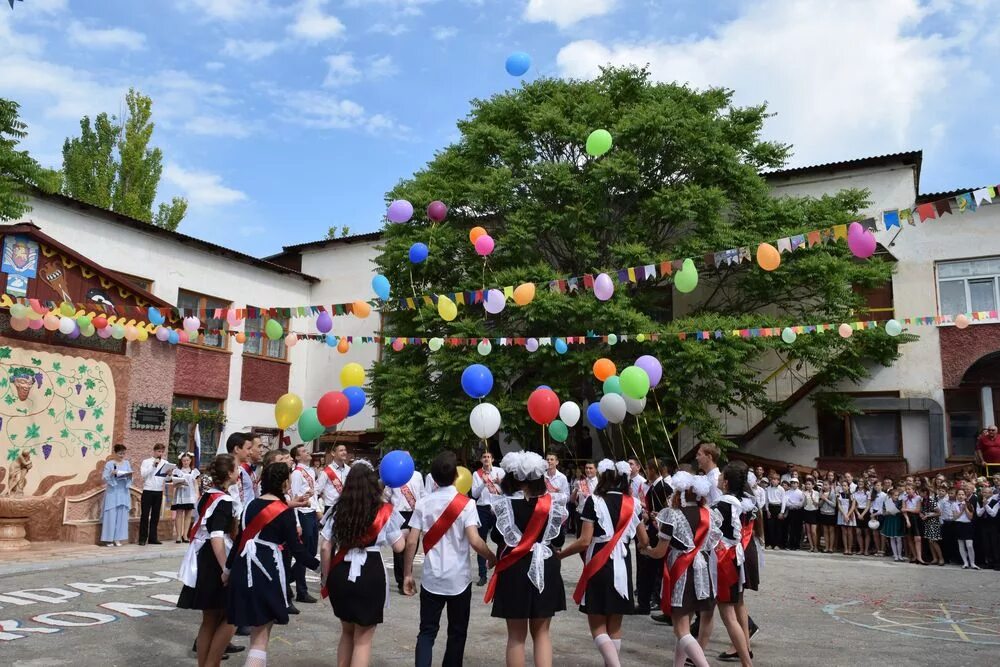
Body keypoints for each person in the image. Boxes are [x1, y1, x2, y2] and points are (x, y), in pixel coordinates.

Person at [402, 451, 496, 667]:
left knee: (426, 632)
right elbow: (474, 540)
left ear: (433, 479)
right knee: (457, 632)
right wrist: (491, 556)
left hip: (431, 578)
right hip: (459, 580)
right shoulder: (467, 504)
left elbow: (410, 542)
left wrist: (407, 574)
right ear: (456, 476)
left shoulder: (423, 503)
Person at [227, 462, 317, 667]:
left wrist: (227, 570)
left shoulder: (250, 505)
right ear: (285, 483)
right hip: (267, 570)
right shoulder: (283, 511)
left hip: (242, 568)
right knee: (260, 637)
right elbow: (297, 549)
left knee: (255, 634)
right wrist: (319, 567)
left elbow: (239, 540)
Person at [560, 460, 647, 667]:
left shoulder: (594, 501)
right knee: (615, 625)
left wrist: (560, 555)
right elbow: (643, 540)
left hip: (599, 563)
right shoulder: (633, 502)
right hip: (622, 566)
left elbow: (583, 541)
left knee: (597, 625)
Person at [487, 451, 567, 667]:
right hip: (545, 566)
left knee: (516, 635)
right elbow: (558, 538)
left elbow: (496, 536)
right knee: (542, 633)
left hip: (514, 567)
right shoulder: (552, 503)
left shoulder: (504, 504)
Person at [326, 460, 406, 667]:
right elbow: (399, 547)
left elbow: (325, 547)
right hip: (370, 572)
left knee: (346, 632)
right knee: (363, 640)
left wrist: (325, 577)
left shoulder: (337, 509)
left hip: (340, 572)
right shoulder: (383, 509)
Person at [640, 471, 720, 667]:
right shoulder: (708, 514)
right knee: (684, 626)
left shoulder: (672, 515)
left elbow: (660, 552)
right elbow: (712, 544)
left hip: (681, 571)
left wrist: (646, 550)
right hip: (702, 572)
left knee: (681, 629)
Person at [178, 454, 237, 667]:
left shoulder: (208, 494)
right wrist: (225, 568)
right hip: (214, 559)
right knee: (232, 616)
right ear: (230, 473)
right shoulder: (224, 500)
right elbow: (216, 535)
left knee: (209, 620)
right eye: (236, 468)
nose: (238, 471)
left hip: (202, 555)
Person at [713, 461, 756, 666]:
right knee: (734, 607)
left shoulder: (722, 504)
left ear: (727, 482)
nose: (719, 478)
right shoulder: (742, 502)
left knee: (728, 615)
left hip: (726, 561)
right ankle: (744, 651)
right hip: (736, 558)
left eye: (721, 476)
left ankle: (746, 661)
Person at [637, 459, 672, 619]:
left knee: (652, 567)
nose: (646, 471)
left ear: (652, 470)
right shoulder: (654, 487)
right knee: (650, 569)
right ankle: (648, 600)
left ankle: (650, 600)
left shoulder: (663, 487)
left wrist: (657, 517)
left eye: (647, 469)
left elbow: (668, 509)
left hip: (658, 532)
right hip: (653, 527)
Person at [386, 463, 425, 594]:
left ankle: (407, 575)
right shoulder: (393, 476)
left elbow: (422, 494)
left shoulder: (417, 475)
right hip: (398, 513)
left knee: (412, 546)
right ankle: (401, 581)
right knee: (398, 549)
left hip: (414, 512)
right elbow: (386, 495)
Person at [290, 444, 320, 604]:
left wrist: (317, 509)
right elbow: (294, 496)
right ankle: (301, 590)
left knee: (311, 551)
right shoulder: (296, 473)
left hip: (311, 512)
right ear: (296, 457)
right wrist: (296, 522)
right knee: (304, 552)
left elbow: (312, 494)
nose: (307, 452)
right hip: (302, 514)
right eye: (303, 451)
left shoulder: (310, 471)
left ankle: (288, 577)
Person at [471, 450, 505, 586]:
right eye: (484, 457)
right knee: (481, 541)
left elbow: (507, 491)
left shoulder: (500, 471)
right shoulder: (476, 474)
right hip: (482, 509)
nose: (486, 459)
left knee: (501, 540)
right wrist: (483, 483)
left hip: (497, 508)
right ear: (481, 460)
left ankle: (499, 570)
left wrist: (499, 482)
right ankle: (482, 574)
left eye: (488, 457)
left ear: (493, 459)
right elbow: (474, 494)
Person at [101, 444, 132, 547]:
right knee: (111, 515)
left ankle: (117, 539)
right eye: (120, 453)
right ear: (115, 453)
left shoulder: (127, 463)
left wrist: (128, 476)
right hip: (112, 492)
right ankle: (109, 539)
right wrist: (112, 474)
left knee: (121, 516)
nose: (122, 455)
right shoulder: (110, 464)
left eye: (123, 453)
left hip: (123, 491)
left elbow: (130, 476)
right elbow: (104, 477)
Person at [138, 443, 169, 545]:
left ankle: (153, 538)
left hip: (158, 491)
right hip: (148, 490)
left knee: (156, 516)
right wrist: (153, 465)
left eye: (162, 451)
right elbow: (143, 475)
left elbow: (166, 479)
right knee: (145, 515)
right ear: (154, 451)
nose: (160, 453)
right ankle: (142, 539)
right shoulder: (146, 462)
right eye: (158, 451)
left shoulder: (165, 463)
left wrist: (169, 475)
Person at [227, 433, 261, 520]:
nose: (250, 452)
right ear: (237, 449)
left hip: (242, 515)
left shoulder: (240, 470)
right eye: (248, 448)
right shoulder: (229, 472)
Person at [170, 452, 200, 544]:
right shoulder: (177, 471)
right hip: (180, 495)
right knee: (179, 514)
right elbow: (173, 483)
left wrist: (197, 495)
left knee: (188, 515)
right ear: (181, 461)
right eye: (184, 460)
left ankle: (185, 535)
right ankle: (178, 536)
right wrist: (179, 483)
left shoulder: (194, 471)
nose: (186, 462)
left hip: (190, 495)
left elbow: (196, 484)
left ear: (190, 461)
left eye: (187, 460)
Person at [955, 488, 979, 569]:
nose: (961, 496)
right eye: (959, 494)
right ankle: (965, 562)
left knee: (969, 545)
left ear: (965, 496)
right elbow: (955, 517)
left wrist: (965, 508)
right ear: (956, 495)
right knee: (961, 544)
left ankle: (972, 563)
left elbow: (970, 517)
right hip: (958, 525)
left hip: (968, 525)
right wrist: (961, 511)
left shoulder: (969, 504)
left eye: (962, 494)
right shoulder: (954, 504)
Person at [901, 484, 925, 564]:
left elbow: (917, 510)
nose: (908, 491)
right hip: (908, 518)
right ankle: (915, 556)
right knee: (909, 537)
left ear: (914, 490)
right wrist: (907, 520)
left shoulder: (918, 498)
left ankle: (919, 557)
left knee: (918, 538)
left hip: (916, 518)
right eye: (906, 489)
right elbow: (903, 511)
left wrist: (907, 509)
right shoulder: (904, 498)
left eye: (909, 489)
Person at [921, 486, 944, 565]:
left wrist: (928, 515)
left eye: (921, 492)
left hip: (933, 523)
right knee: (929, 541)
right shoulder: (923, 501)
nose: (920, 494)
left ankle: (941, 558)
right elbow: (922, 511)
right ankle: (935, 558)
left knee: (933, 541)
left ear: (925, 493)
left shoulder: (931, 501)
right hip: (927, 523)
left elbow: (939, 512)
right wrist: (922, 515)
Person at [764, 474, 785, 549]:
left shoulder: (781, 489)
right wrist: (767, 510)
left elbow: (783, 501)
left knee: (778, 527)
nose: (774, 481)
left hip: (778, 507)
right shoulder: (768, 489)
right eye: (772, 479)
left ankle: (777, 544)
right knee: (770, 527)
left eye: (776, 479)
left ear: (778, 481)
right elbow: (766, 500)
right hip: (770, 507)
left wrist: (782, 512)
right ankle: (770, 544)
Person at [783, 479, 805, 551]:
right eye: (792, 483)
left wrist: (795, 505)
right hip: (790, 511)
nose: (794, 484)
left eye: (795, 483)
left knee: (798, 529)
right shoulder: (787, 492)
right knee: (790, 529)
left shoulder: (801, 493)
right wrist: (792, 505)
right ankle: (789, 545)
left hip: (798, 512)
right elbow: (786, 502)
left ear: (798, 484)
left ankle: (797, 545)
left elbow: (802, 503)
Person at [818, 480, 838, 553]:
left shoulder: (832, 493)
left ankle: (831, 548)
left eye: (826, 485)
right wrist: (822, 499)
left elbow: (834, 505)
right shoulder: (821, 493)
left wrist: (825, 499)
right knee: (825, 531)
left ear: (830, 486)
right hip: (823, 513)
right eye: (824, 485)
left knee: (831, 531)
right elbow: (819, 505)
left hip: (831, 514)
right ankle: (826, 547)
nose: (824, 486)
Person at [801, 479, 820, 553]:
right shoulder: (804, 493)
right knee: (808, 531)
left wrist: (812, 497)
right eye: (806, 484)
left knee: (813, 531)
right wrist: (805, 497)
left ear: (813, 485)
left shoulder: (816, 493)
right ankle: (811, 546)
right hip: (806, 512)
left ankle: (815, 547)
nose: (807, 485)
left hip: (814, 512)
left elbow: (816, 504)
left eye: (809, 484)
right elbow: (804, 504)